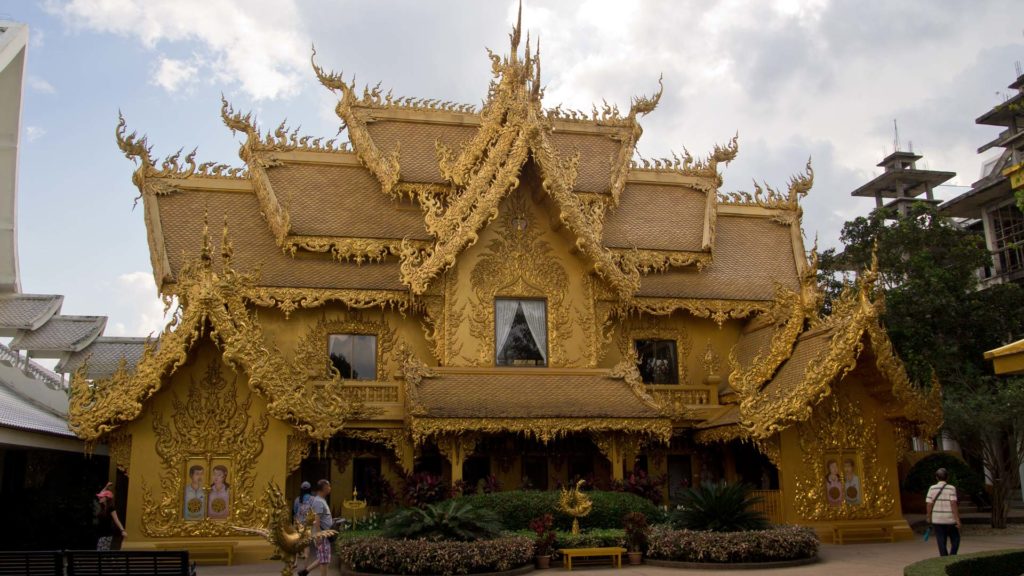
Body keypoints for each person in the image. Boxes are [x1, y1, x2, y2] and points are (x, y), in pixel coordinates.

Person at [298, 479, 333, 576]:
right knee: (324, 561)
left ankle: (305, 572)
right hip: (322, 534)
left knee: (323, 558)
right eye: (328, 486)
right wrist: (319, 535)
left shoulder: (321, 500)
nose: (330, 488)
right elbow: (317, 519)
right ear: (324, 488)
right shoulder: (318, 501)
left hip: (324, 533)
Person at [926, 467, 961, 556]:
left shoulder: (932, 488)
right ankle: (952, 555)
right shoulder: (951, 488)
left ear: (936, 477)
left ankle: (944, 558)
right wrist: (957, 519)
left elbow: (929, 504)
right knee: (955, 539)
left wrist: (928, 516)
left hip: (937, 519)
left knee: (941, 540)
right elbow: (953, 504)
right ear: (947, 477)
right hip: (950, 519)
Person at [95, 483, 127, 550]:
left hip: (106, 534)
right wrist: (106, 486)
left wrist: (122, 530)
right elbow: (100, 493)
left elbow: (116, 520)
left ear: (106, 498)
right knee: (100, 551)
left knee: (102, 551)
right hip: (100, 534)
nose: (100, 498)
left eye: (102, 497)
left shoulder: (111, 508)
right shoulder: (103, 506)